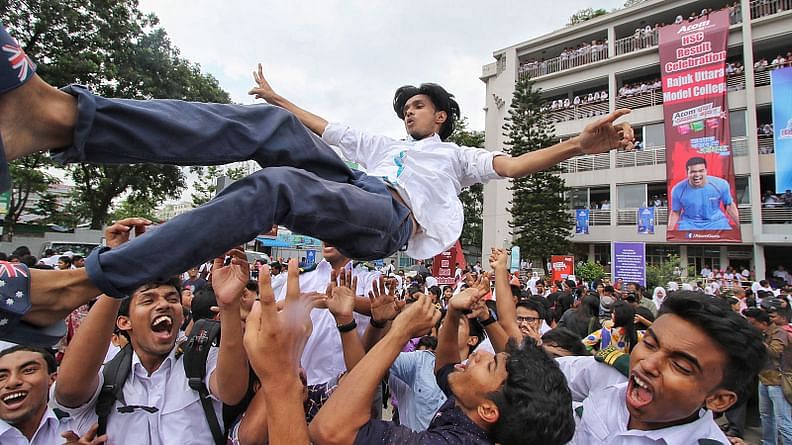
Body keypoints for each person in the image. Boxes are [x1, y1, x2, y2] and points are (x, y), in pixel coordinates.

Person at [50, 219, 250, 444]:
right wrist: (117, 273)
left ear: (182, 316)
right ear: (124, 323)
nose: (163, 305)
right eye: (148, 299)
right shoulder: (107, 374)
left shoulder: (200, 360)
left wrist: (229, 305)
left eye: (171, 298)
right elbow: (69, 392)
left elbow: (232, 392)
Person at [309, 280, 575, 445]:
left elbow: (328, 431)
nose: (481, 355)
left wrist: (399, 332)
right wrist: (454, 312)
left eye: (491, 365)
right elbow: (445, 368)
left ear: (488, 410)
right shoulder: (475, 411)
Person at [559, 292, 767, 444]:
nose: (648, 364)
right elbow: (541, 372)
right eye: (650, 345)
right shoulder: (609, 374)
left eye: (680, 365)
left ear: (719, 399)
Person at [0, 345, 76, 445]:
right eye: (1, 376)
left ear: (52, 379)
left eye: (28, 370)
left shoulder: (76, 426)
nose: (12, 382)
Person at [743, 308, 792, 444]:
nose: (751, 326)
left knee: (783, 421)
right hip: (764, 378)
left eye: (753, 324)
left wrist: (758, 341)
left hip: (778, 381)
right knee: (766, 415)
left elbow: (775, 352)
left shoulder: (779, 333)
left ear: (763, 323)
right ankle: (769, 442)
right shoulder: (763, 333)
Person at [668, 157, 740, 231]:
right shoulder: (678, 189)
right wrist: (669, 232)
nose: (697, 174)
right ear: (687, 173)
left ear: (706, 171)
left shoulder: (721, 184)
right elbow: (675, 212)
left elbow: (729, 206)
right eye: (693, 172)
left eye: (701, 171)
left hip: (717, 223)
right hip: (689, 224)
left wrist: (740, 227)